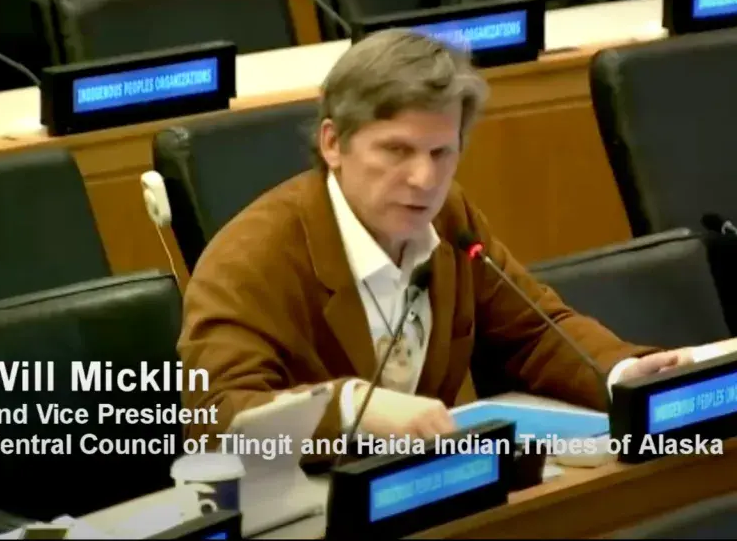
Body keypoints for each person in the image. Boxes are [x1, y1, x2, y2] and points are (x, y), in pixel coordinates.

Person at [177, 28, 726, 451]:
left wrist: (624, 374)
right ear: (333, 143)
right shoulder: (253, 254)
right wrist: (351, 409)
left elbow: (530, 332)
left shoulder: (450, 217)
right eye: (396, 151)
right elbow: (216, 415)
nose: (424, 179)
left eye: (442, 152)